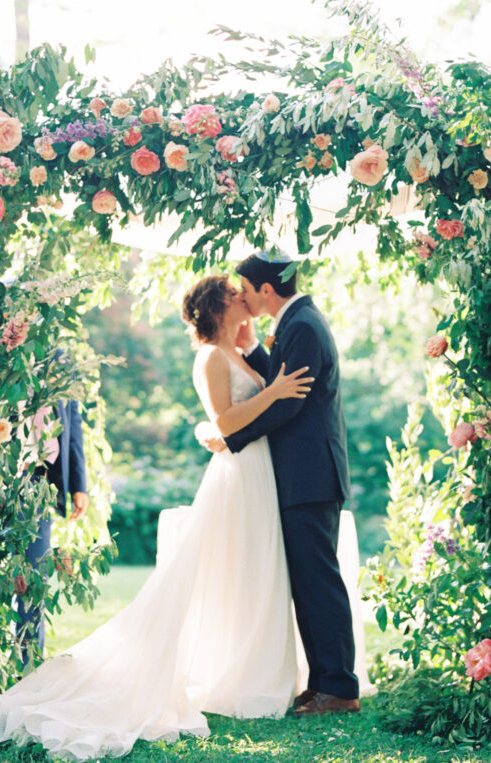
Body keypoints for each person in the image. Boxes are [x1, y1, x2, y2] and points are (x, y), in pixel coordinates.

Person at [0, 275, 314, 759]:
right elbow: (226, 422)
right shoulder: (210, 357)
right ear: (215, 308)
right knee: (234, 570)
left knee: (253, 573)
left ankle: (248, 673)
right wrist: (274, 392)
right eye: (233, 294)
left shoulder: (236, 351)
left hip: (256, 472)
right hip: (237, 474)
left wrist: (260, 365)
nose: (243, 297)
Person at [197, 248, 359, 716]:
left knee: (319, 582)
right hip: (301, 474)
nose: (244, 299)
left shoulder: (303, 326)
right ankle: (324, 680)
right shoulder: (297, 322)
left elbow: (289, 403)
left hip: (310, 474)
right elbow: (278, 386)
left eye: (246, 290)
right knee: (307, 583)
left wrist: (232, 437)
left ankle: (340, 688)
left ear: (266, 289)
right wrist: (252, 350)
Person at [16, 396, 89, 665]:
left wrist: (78, 483)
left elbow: (72, 421)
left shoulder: (59, 356)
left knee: (32, 580)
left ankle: (28, 667)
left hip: (40, 478)